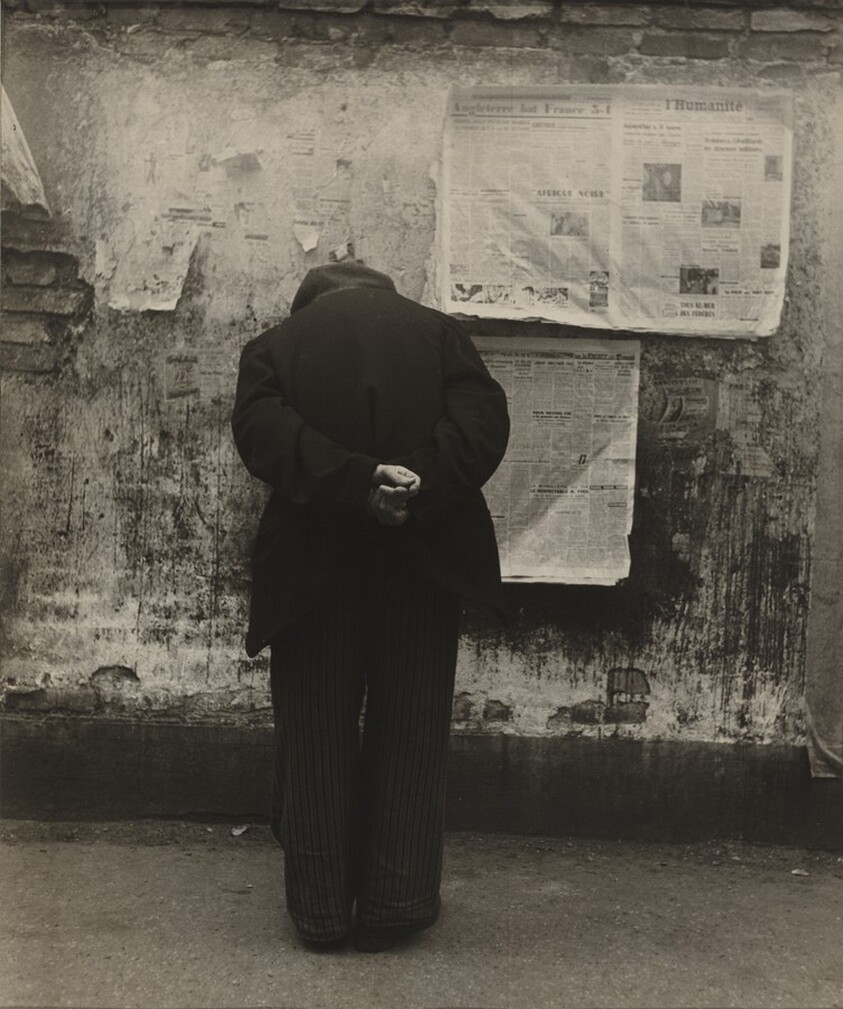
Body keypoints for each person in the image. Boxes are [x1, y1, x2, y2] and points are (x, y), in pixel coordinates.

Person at [231, 261, 510, 952]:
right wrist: (413, 487)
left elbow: (264, 435)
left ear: (311, 301)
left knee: (315, 727)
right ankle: (396, 903)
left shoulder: (275, 344)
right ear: (385, 292)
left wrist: (359, 482)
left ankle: (320, 911)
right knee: (411, 725)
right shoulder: (442, 334)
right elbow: (482, 426)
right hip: (424, 560)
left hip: (312, 565)